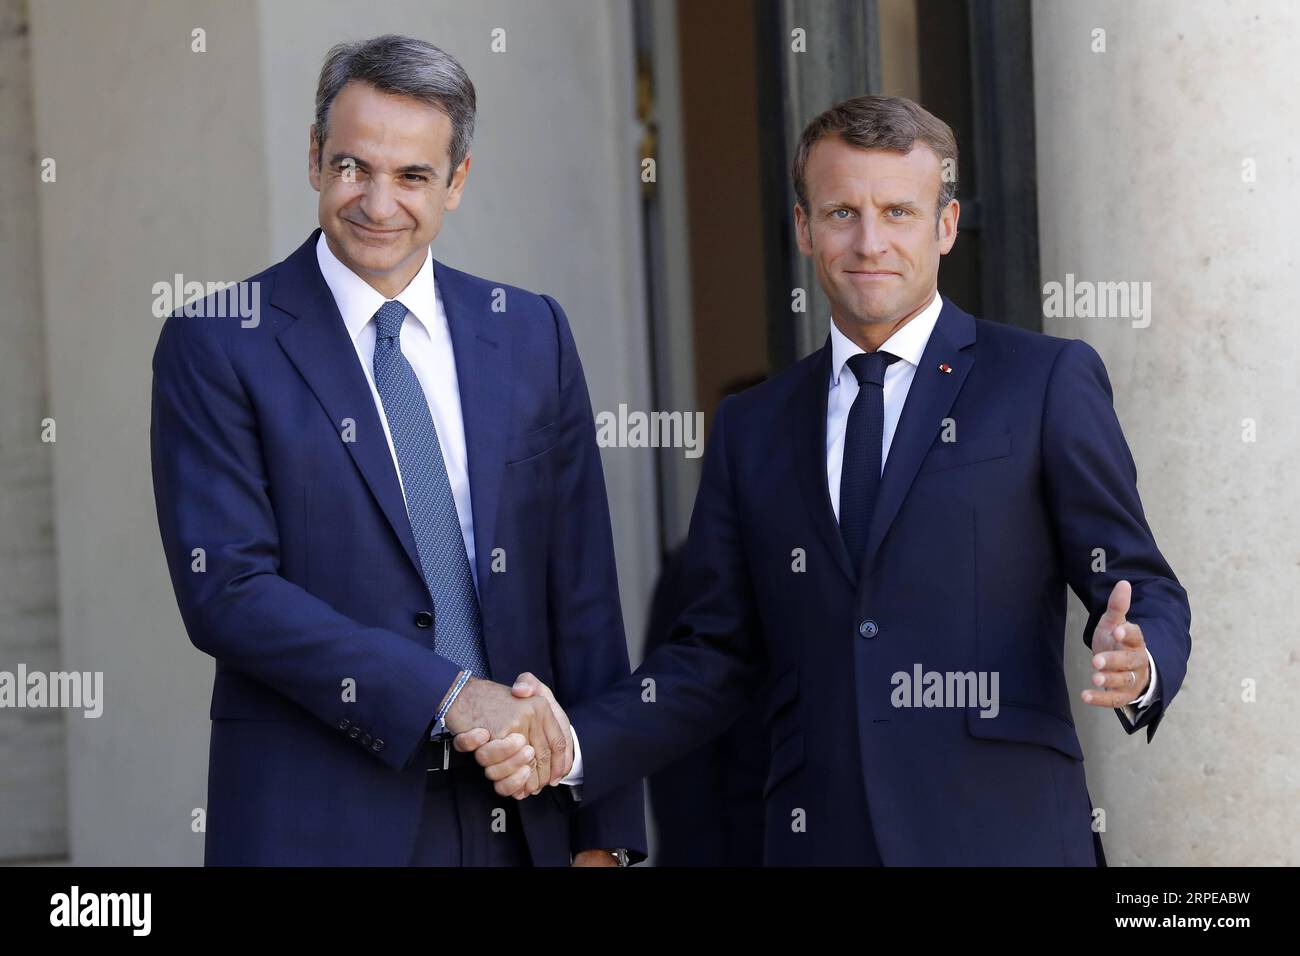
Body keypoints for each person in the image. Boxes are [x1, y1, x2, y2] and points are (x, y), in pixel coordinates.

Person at [457, 94, 1191, 865]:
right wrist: (573, 742)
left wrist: (1141, 661)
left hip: (1007, 836)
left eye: (898, 213)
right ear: (805, 229)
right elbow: (712, 657)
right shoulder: (753, 425)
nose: (870, 242)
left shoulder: (1043, 382)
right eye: (842, 213)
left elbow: (1145, 584)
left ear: (944, 225)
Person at [149, 34, 644, 866]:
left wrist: (605, 833)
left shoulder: (530, 334)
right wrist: (451, 695)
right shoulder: (218, 343)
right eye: (352, 167)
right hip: (318, 818)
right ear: (314, 158)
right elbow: (227, 592)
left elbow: (583, 590)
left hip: (521, 820)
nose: (378, 202)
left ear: (457, 181)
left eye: (413, 175)